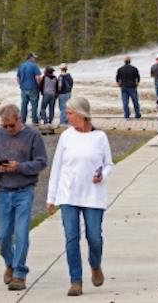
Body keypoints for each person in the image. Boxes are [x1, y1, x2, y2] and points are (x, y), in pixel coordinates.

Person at [46, 96, 113, 297]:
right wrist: (51, 197)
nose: (67, 116)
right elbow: (56, 167)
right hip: (68, 195)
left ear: (82, 114)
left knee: (94, 237)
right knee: (71, 238)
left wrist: (103, 175)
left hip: (93, 195)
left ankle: (95, 264)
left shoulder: (100, 137)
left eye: (70, 113)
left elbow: (109, 164)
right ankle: (76, 280)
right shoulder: (66, 137)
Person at [0, 104, 48, 291]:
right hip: (3, 190)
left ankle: (20, 273)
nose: (8, 129)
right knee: (3, 236)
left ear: (19, 120)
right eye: (5, 126)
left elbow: (41, 162)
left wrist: (19, 167)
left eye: (11, 125)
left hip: (24, 190)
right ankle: (10, 263)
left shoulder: (33, 135)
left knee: (21, 233)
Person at [17, 52, 43, 125]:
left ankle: (22, 120)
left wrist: (21, 85)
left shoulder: (21, 66)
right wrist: (40, 86)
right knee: (34, 105)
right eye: (34, 58)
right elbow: (38, 78)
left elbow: (18, 78)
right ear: (30, 58)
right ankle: (34, 120)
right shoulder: (35, 66)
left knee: (24, 104)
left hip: (23, 88)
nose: (35, 59)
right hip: (33, 88)